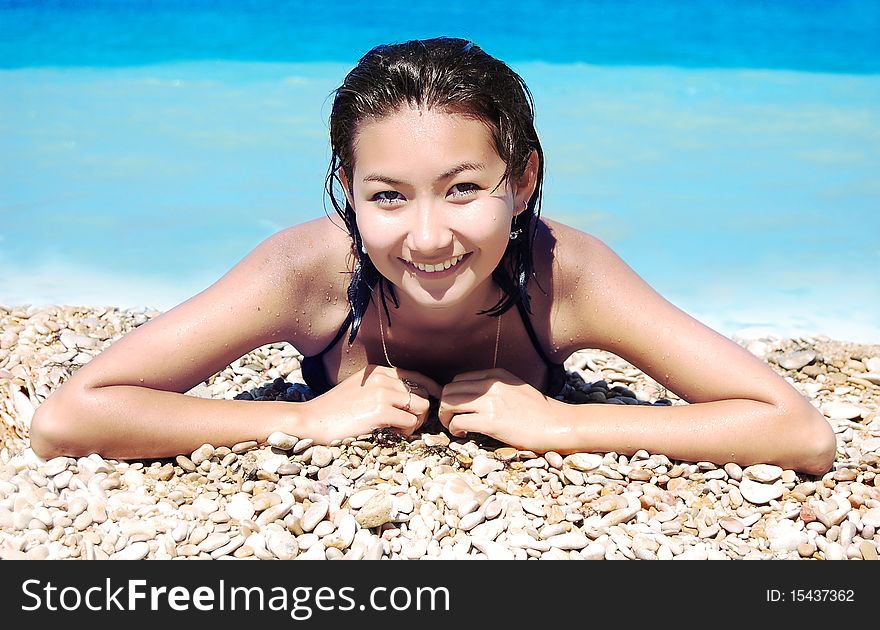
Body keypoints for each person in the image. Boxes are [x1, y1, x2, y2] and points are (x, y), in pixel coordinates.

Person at [30, 37, 836, 475]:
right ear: (347, 190)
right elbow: (70, 416)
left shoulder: (566, 277)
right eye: (387, 196)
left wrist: (566, 426)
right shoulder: (306, 274)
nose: (426, 237)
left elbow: (796, 431)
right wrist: (303, 419)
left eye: (461, 189)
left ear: (521, 182)